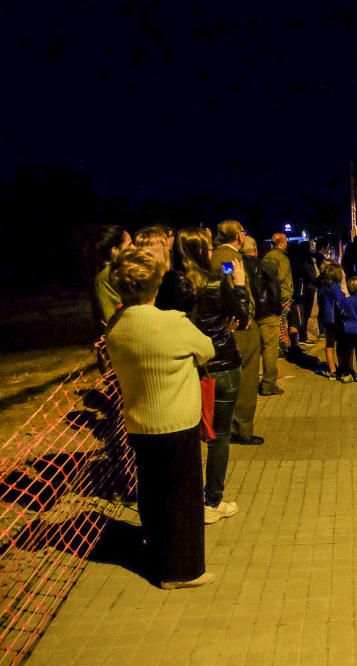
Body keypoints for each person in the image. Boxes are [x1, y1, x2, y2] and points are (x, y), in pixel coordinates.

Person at [104, 247, 216, 590]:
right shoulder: (173, 322)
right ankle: (182, 570)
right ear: (156, 284)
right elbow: (207, 349)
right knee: (184, 497)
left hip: (139, 422)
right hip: (177, 422)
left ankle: (155, 551)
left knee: (151, 491)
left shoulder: (116, 327)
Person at [156, 227, 250, 524]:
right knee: (219, 437)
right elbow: (243, 317)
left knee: (185, 435)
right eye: (208, 248)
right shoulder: (214, 283)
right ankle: (212, 501)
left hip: (184, 366)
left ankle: (185, 499)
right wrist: (240, 286)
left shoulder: (169, 285)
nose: (212, 253)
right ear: (200, 251)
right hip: (221, 364)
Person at [211, 220, 263, 446]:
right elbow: (232, 287)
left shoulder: (219, 256)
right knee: (247, 377)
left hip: (230, 324)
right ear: (237, 235)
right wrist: (245, 317)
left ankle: (232, 425)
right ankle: (241, 427)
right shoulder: (227, 259)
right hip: (239, 326)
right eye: (243, 231)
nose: (244, 235)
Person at [242, 235, 284, 396]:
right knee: (270, 349)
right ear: (255, 249)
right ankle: (268, 383)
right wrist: (276, 309)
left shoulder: (234, 266)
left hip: (248, 314)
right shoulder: (265, 266)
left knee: (251, 349)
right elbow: (274, 289)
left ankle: (249, 383)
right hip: (267, 313)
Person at [89, 225, 132, 331]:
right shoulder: (107, 277)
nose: (134, 248)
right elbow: (113, 317)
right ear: (115, 251)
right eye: (129, 245)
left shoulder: (117, 273)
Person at [262, 233, 295, 359]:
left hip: (271, 294)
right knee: (282, 322)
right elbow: (281, 277)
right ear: (282, 243)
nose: (287, 243)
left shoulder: (267, 257)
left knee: (278, 321)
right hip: (283, 293)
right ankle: (282, 348)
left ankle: (280, 346)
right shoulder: (283, 258)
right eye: (286, 240)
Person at [316, 262, 347, 379]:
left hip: (327, 320)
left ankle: (332, 370)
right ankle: (341, 368)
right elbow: (341, 304)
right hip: (338, 320)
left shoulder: (322, 289)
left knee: (329, 345)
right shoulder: (336, 289)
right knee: (341, 344)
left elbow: (319, 303)